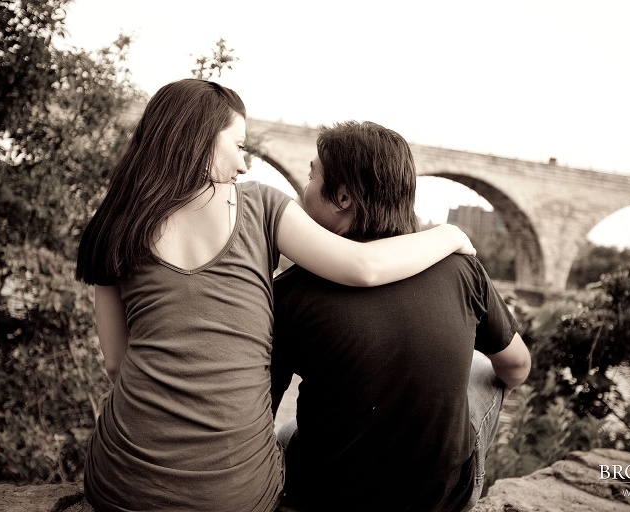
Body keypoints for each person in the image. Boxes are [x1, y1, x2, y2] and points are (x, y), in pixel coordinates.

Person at [75, 80, 476, 512]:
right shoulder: (260, 206)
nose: (245, 164)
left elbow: (117, 365)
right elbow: (364, 266)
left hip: (119, 488)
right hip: (236, 498)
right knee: (288, 438)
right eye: (238, 145)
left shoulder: (114, 222)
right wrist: (450, 234)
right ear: (201, 138)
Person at [270, 121, 531, 512]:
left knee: (286, 431)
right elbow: (518, 368)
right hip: (441, 500)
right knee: (484, 365)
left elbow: (259, 415)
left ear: (342, 196)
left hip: (324, 499)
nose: (304, 189)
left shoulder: (289, 291)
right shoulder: (462, 270)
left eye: (311, 175)